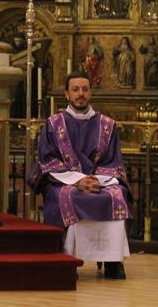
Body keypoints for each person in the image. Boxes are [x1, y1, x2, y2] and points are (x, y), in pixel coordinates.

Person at [29, 71, 131, 279]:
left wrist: (95, 181)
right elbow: (48, 160)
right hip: (65, 181)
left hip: (100, 181)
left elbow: (113, 162)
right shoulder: (53, 124)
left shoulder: (107, 125)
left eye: (85, 89)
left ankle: (113, 261)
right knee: (67, 196)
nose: (80, 94)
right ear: (66, 94)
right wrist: (78, 180)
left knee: (116, 195)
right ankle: (67, 260)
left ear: (90, 93)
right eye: (75, 89)